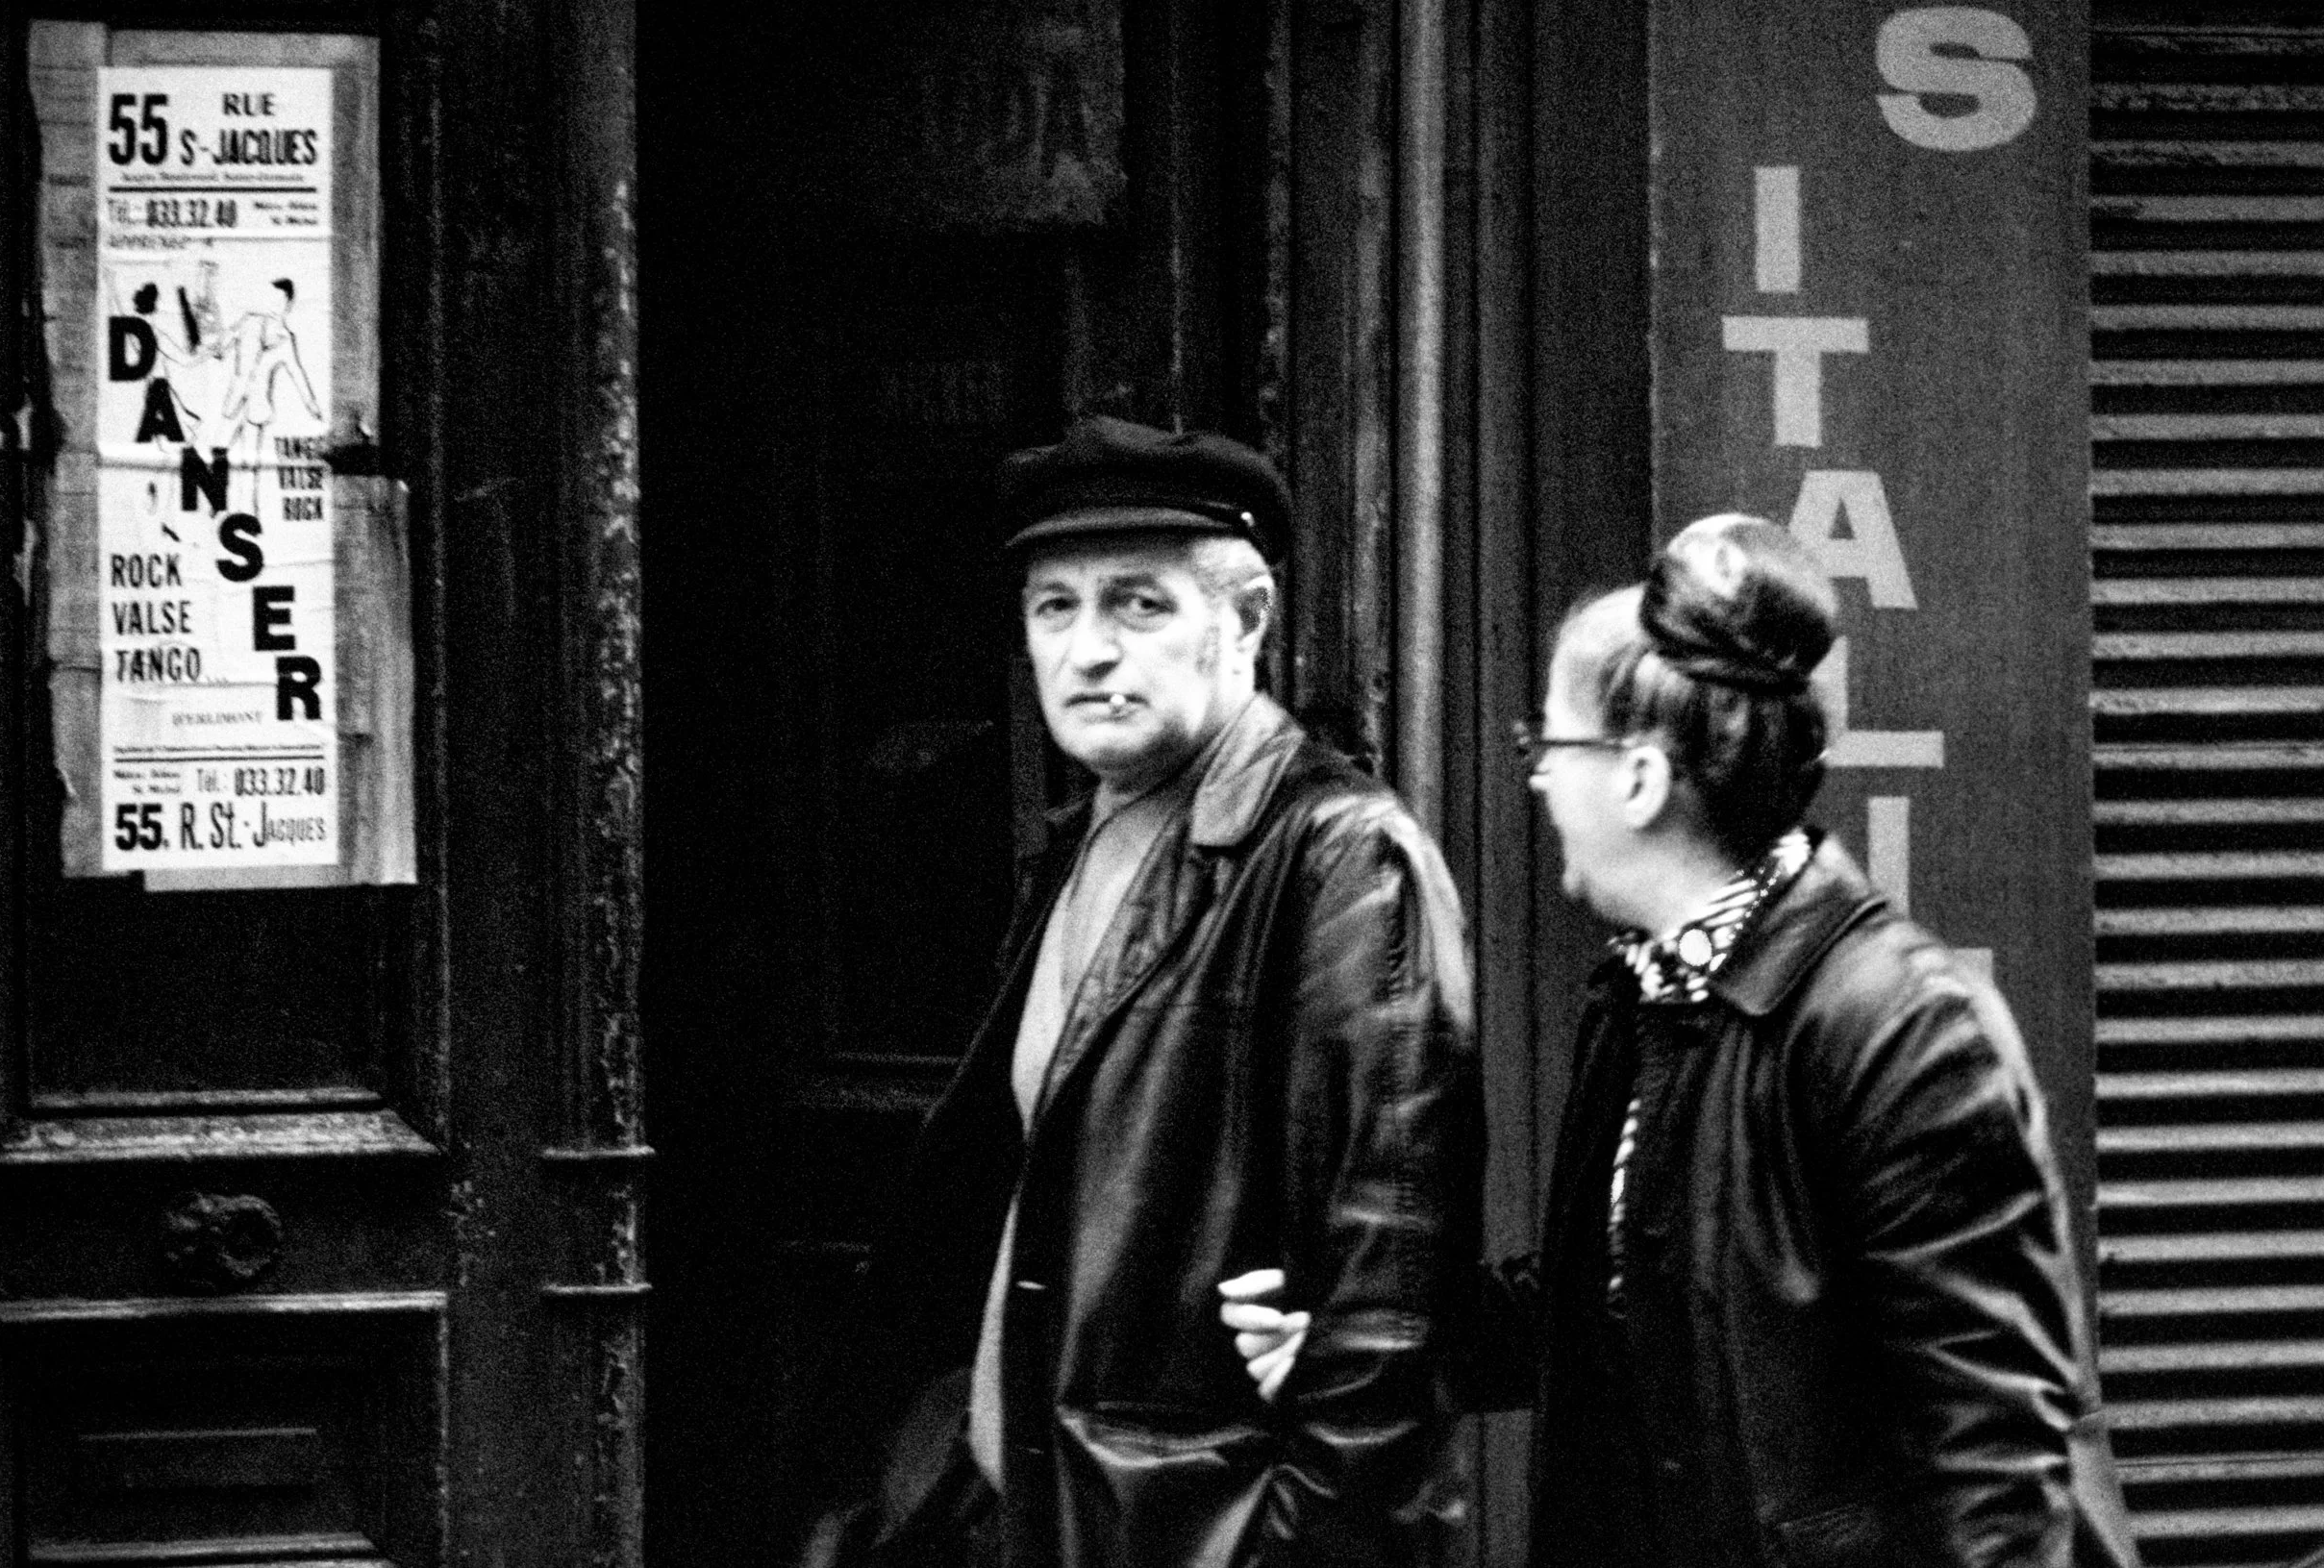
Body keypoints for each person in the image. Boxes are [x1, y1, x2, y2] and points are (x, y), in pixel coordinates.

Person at [1224, 514, 2136, 1567]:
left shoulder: (1903, 1027)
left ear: (1642, 778)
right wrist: (1352, 1340)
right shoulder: (1644, 995)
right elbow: (1608, 1299)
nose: (1535, 780)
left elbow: (2002, 1463)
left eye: (1549, 746)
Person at [817, 416, 1486, 1568]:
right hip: (1036, 1512)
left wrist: (1292, 1549)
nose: (1089, 650)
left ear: (1247, 620)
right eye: (1054, 607)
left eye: (1139, 603)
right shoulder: (1087, 838)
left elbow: (1390, 1297)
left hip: (1197, 1529)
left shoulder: (1338, 857)